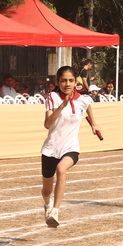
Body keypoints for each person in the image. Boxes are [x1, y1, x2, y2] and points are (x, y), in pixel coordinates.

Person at [41, 66, 102, 227]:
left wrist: (94, 124)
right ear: (57, 82)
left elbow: (87, 107)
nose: (67, 84)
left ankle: (55, 211)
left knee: (61, 169)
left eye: (71, 80)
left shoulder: (84, 99)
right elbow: (47, 124)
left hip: (71, 148)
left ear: (76, 82)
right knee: (46, 191)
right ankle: (47, 204)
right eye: (63, 81)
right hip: (50, 149)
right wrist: (62, 105)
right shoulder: (52, 97)